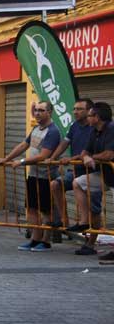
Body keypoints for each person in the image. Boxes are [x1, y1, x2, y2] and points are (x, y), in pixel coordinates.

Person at [0, 101, 61, 252]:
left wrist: (22, 161)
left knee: (46, 210)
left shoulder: (52, 131)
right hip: (33, 175)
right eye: (36, 110)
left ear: (49, 112)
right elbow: (23, 145)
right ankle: (35, 239)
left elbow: (44, 155)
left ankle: (45, 242)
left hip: (46, 176)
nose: (37, 113)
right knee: (31, 208)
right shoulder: (36, 129)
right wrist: (6, 158)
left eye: (41, 110)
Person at [66, 103, 114, 259]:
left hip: (110, 174)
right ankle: (84, 221)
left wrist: (91, 157)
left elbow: (108, 155)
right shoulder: (95, 131)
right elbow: (85, 151)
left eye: (89, 115)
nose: (87, 118)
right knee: (79, 182)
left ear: (97, 117)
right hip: (107, 176)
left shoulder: (111, 129)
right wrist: (85, 156)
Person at [48, 99, 94, 228]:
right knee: (55, 184)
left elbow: (92, 151)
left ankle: (88, 234)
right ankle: (64, 220)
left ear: (89, 111)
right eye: (74, 109)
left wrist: (71, 158)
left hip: (91, 171)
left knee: (93, 209)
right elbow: (64, 143)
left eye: (79, 109)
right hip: (76, 170)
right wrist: (52, 157)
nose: (75, 112)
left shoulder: (94, 127)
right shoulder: (74, 125)